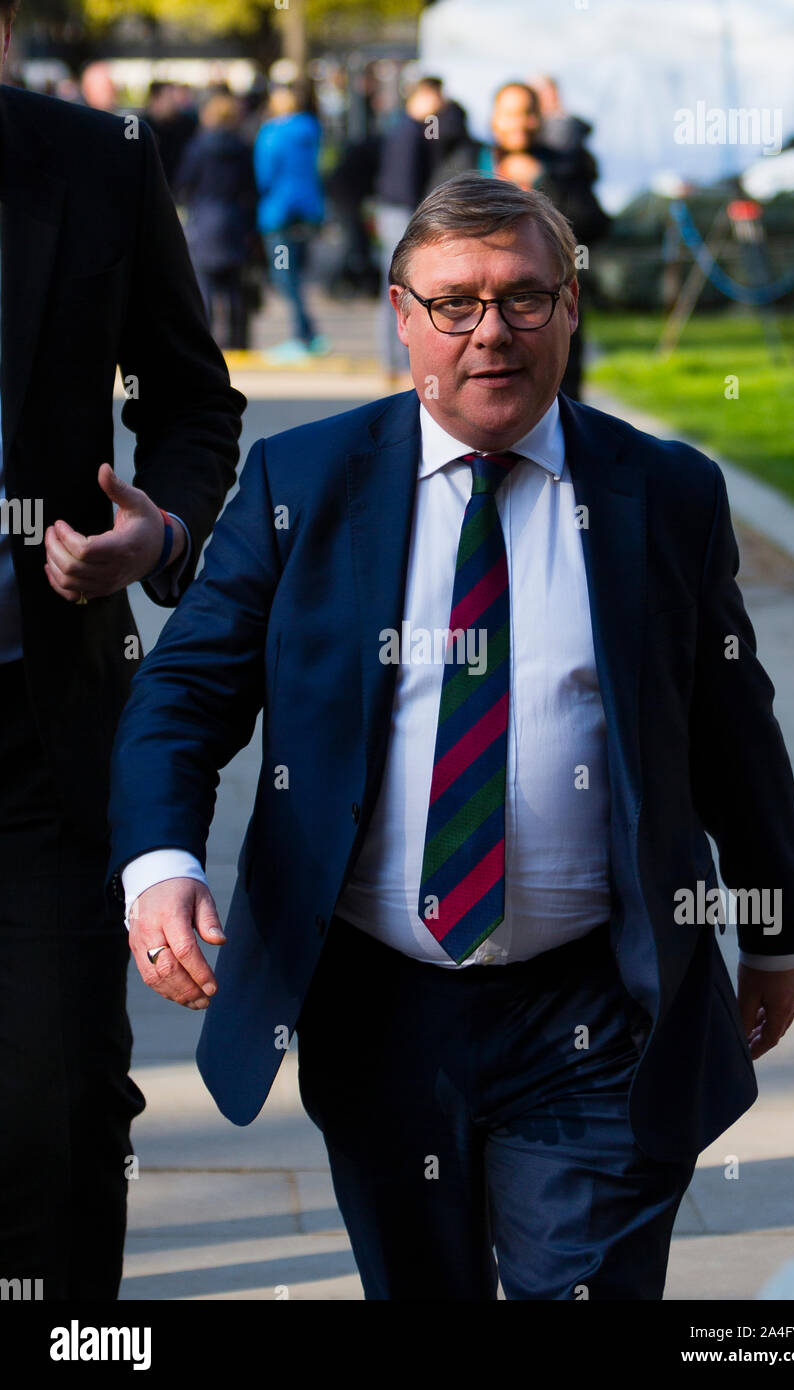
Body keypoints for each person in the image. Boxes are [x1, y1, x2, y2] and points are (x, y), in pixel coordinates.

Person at [108, 171, 794, 1302]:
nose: (491, 332)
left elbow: (732, 724)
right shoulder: (305, 482)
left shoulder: (661, 494)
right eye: (455, 304)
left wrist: (774, 928)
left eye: (524, 299)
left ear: (569, 311)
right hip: (378, 1006)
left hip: (597, 1011)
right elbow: (185, 692)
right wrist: (160, 866)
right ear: (403, 319)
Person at [0, 1, 246, 1300]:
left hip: (36, 732)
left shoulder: (97, 159)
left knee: (51, 1110)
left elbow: (193, 401)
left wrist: (156, 536)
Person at [427, 81, 610, 399]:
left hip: (547, 307)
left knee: (557, 399)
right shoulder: (465, 164)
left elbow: (594, 224)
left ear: (539, 118)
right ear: (494, 119)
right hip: (475, 309)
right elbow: (429, 230)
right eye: (510, 114)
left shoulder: (564, 164)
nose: (520, 123)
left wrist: (543, 181)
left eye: (528, 113)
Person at [174, 91, 259, 351]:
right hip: (235, 221)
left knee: (204, 288)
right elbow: (251, 187)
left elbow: (183, 184)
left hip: (205, 221)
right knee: (234, 287)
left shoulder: (198, 147)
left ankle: (205, 343)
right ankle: (237, 341)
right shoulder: (243, 148)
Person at [374, 75, 444, 386]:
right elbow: (405, 182)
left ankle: (395, 359)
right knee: (400, 288)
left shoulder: (405, 128)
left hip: (396, 212)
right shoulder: (410, 131)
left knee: (397, 286)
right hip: (401, 214)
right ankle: (397, 360)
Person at [254, 81, 328, 364]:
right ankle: (308, 333)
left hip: (279, 211)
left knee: (284, 276)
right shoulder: (310, 129)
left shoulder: (271, 133)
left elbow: (264, 174)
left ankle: (302, 334)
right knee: (299, 274)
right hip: (308, 208)